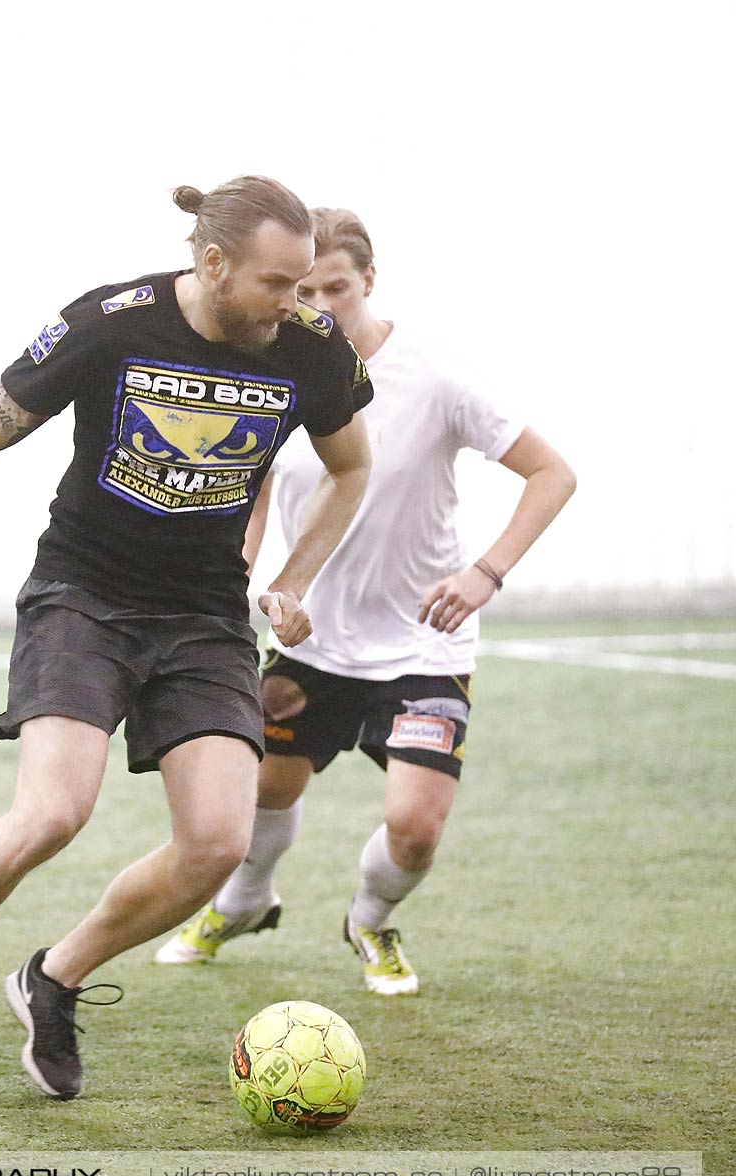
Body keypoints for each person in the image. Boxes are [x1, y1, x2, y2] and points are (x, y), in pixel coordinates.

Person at [0, 176, 373, 1108]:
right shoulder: (110, 323)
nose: (295, 305)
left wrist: (290, 582)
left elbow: (350, 467)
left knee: (217, 843)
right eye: (276, 284)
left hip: (206, 615)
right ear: (211, 263)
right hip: (83, 596)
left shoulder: (311, 348)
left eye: (304, 286)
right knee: (50, 815)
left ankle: (54, 975)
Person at [154, 207, 576, 995]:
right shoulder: (276, 367)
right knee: (260, 798)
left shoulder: (437, 376)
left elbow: (553, 473)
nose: (315, 308)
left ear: (369, 281)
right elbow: (252, 488)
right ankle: (245, 901)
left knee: (415, 829)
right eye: (301, 291)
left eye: (335, 288)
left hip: (425, 644)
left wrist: (484, 573)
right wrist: (239, 585)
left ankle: (371, 921)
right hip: (313, 642)